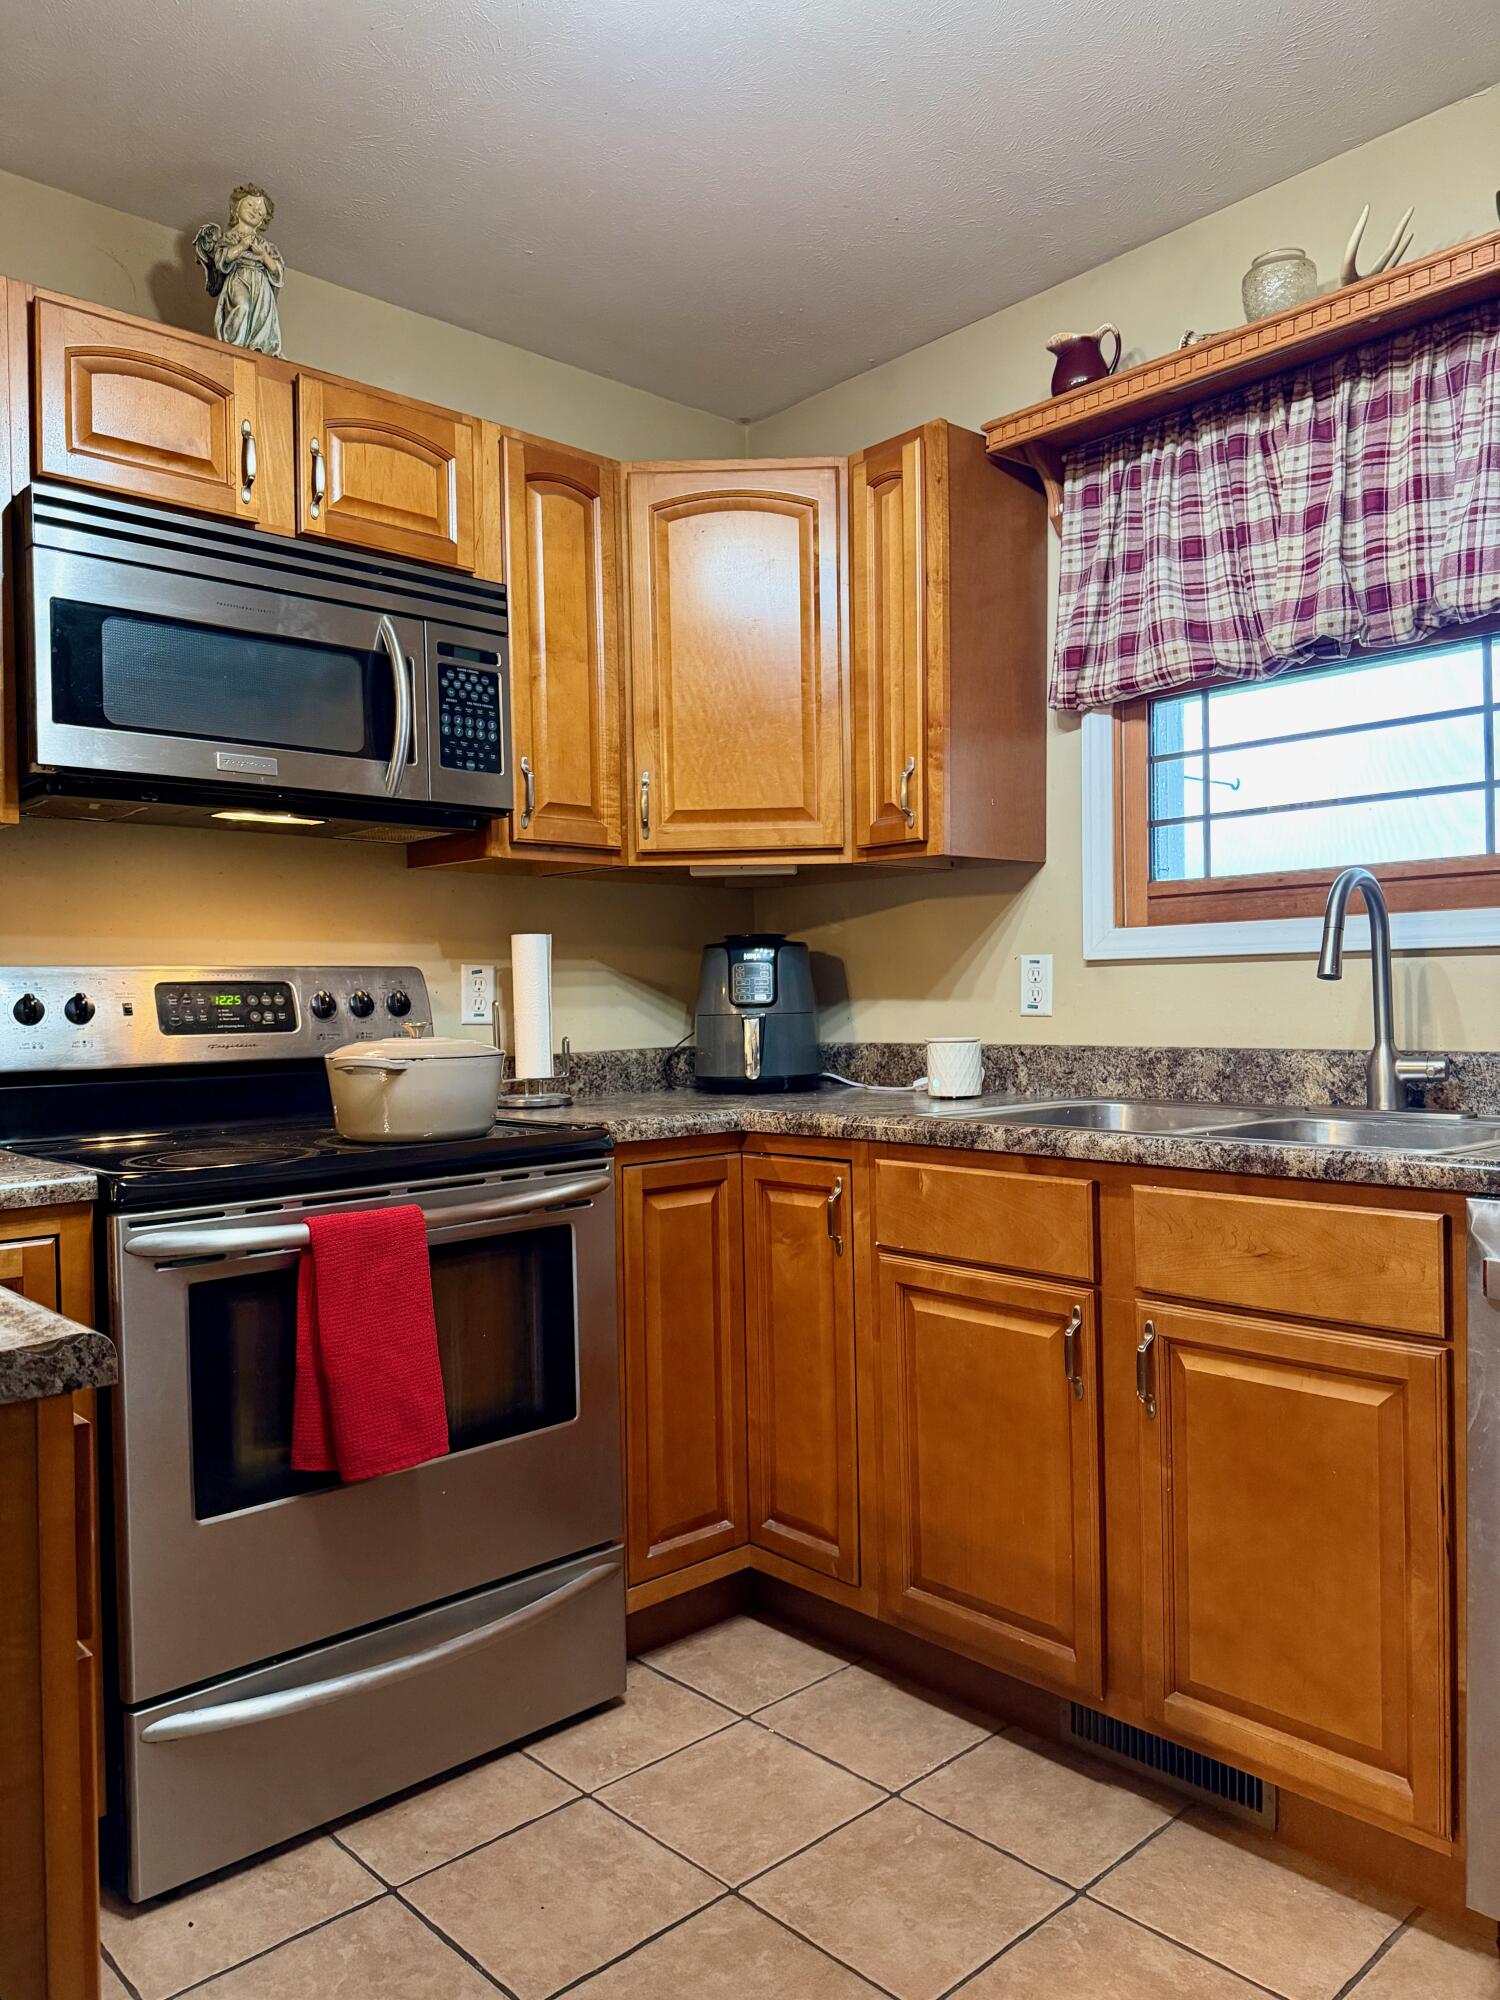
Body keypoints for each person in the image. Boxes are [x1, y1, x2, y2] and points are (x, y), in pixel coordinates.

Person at [194, 185, 284, 356]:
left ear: (263, 220)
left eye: (260, 211)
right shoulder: (229, 237)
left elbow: (278, 271)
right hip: (239, 277)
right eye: (250, 204)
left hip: (260, 282)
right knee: (242, 306)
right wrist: (241, 246)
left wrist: (263, 255)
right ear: (237, 206)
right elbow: (221, 259)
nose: (255, 210)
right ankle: (234, 347)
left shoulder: (265, 245)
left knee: (262, 314)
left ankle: (258, 346)